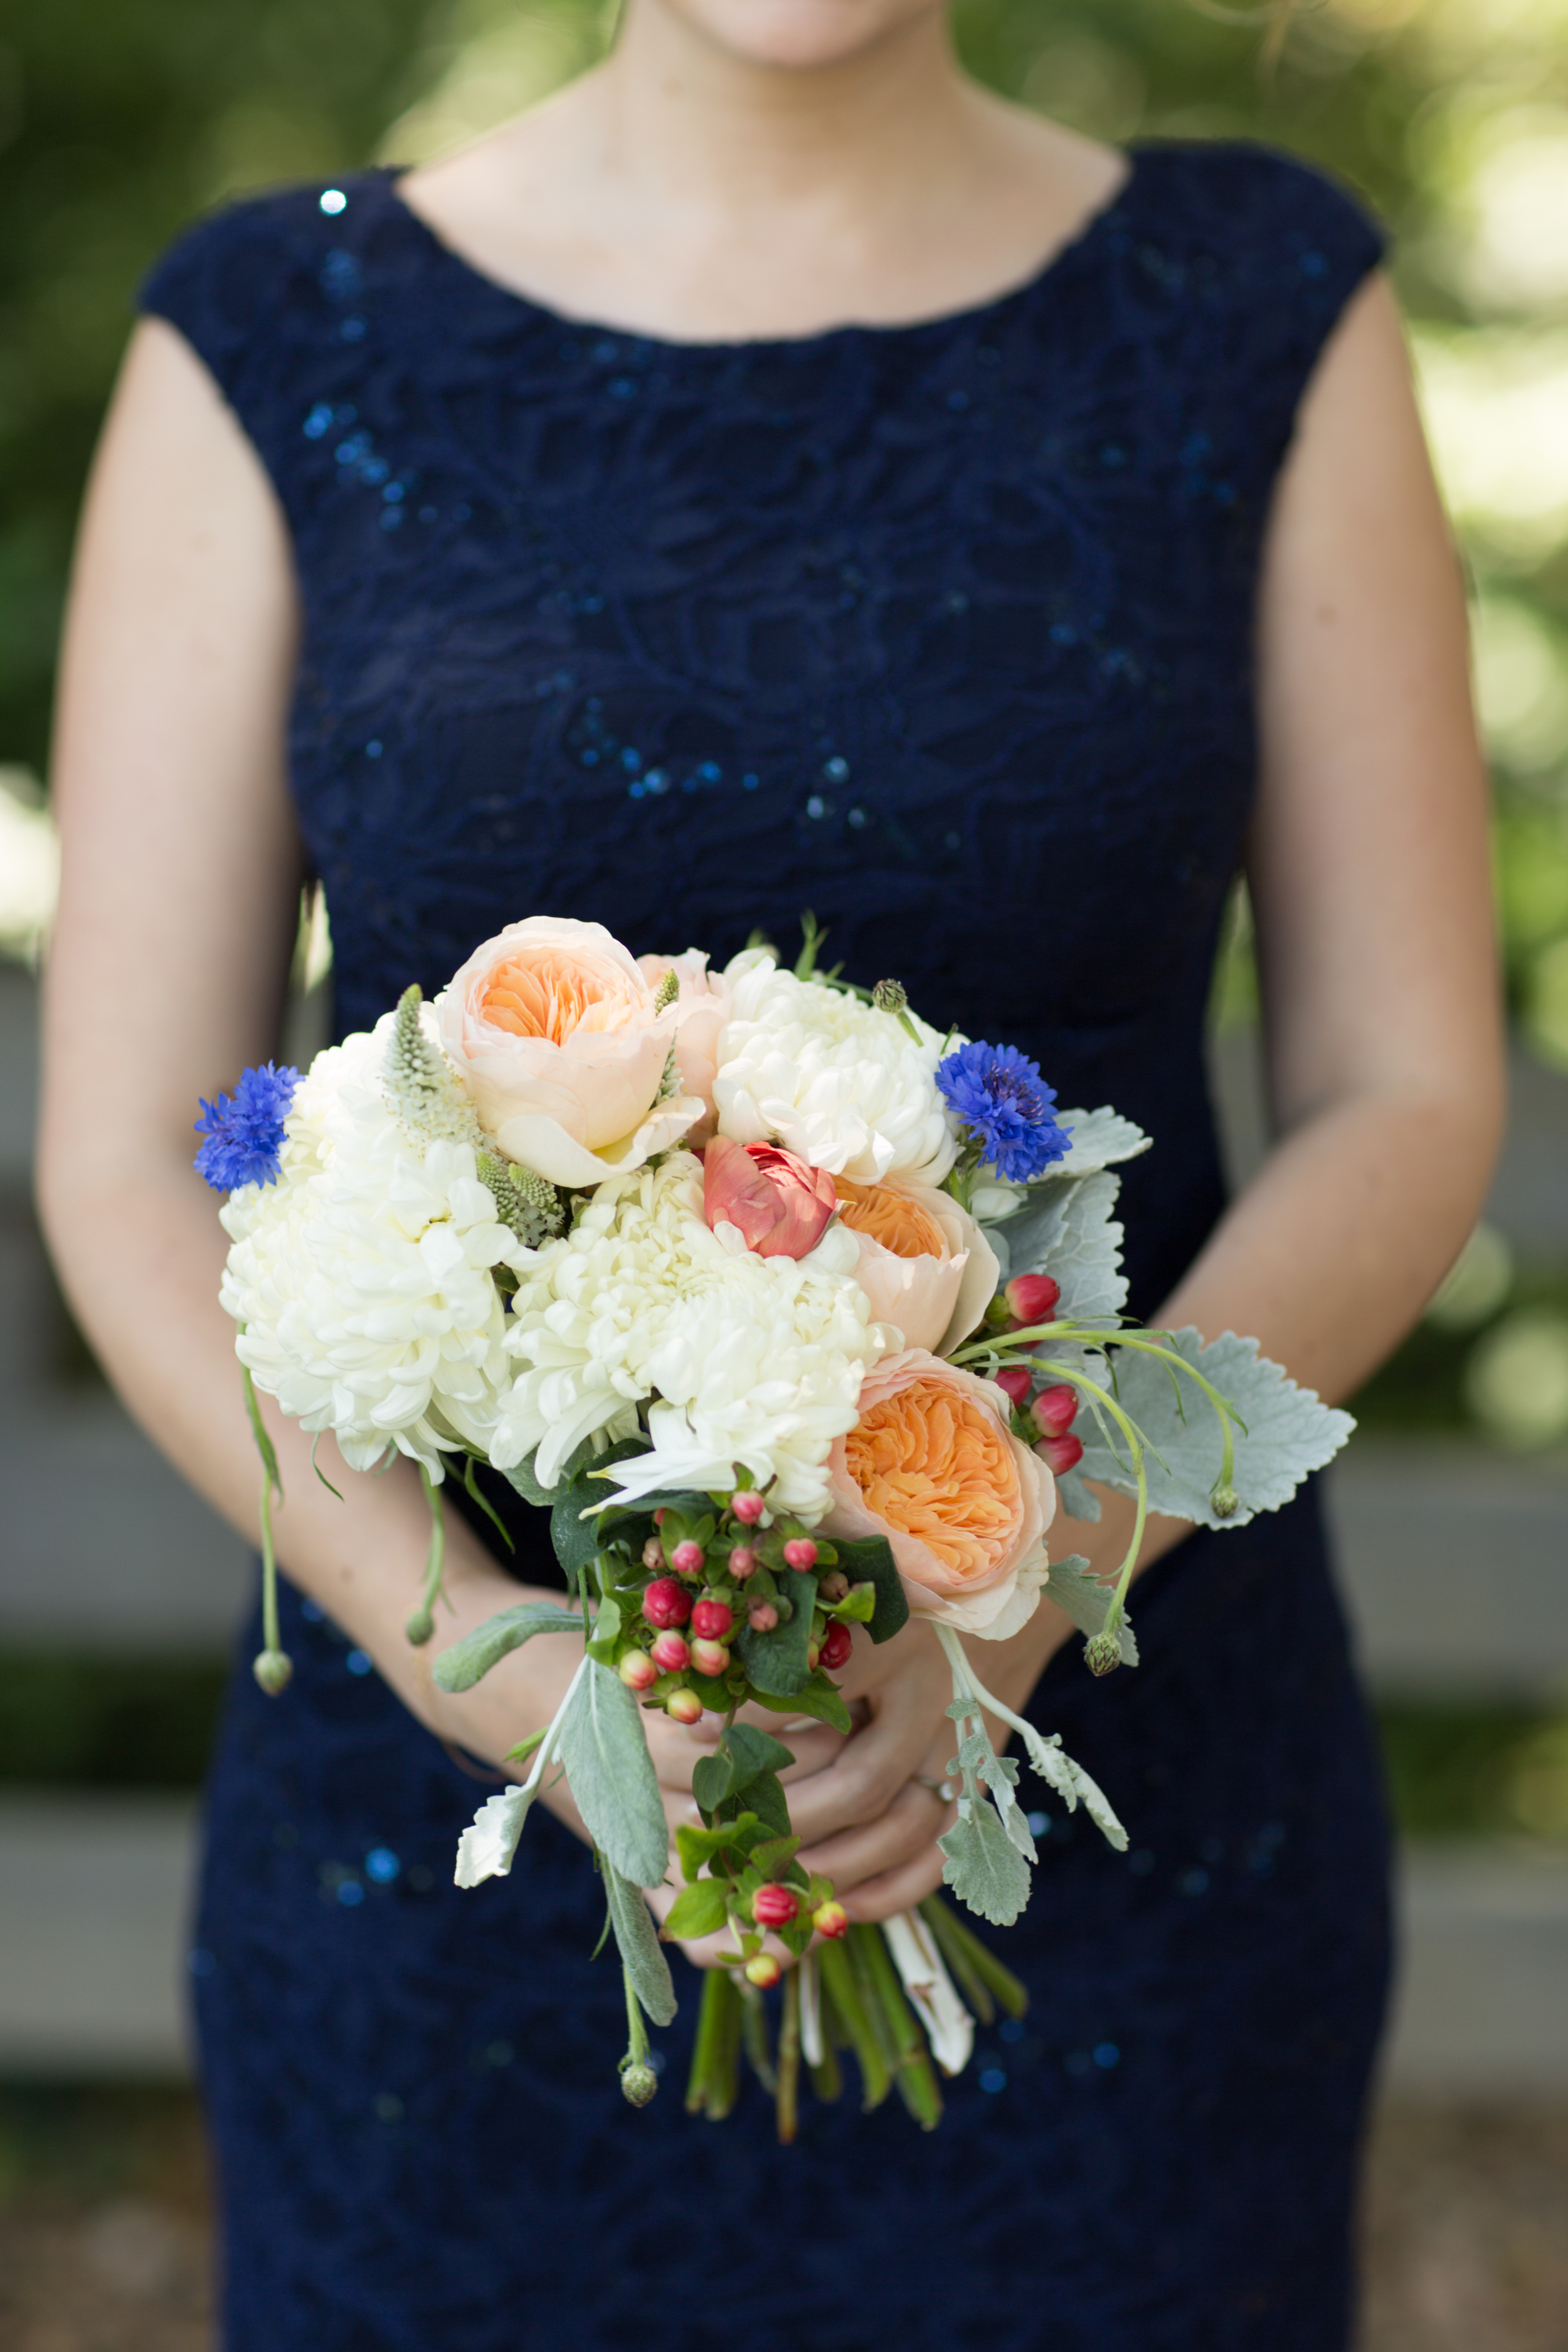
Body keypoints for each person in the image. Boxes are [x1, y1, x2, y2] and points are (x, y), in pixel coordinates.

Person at [37, 0, 1502, 2337]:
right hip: (448, 1887)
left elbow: (1406, 1083)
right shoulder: (272, 329)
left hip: (1123, 1809)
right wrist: (534, 1690)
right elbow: (123, 1153)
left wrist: (1015, 1579)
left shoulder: (1253, 305)